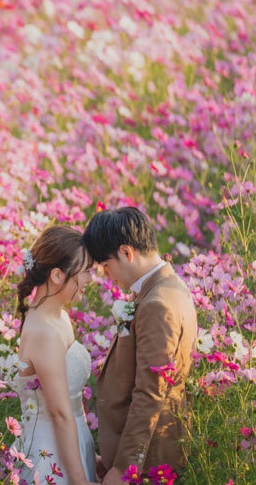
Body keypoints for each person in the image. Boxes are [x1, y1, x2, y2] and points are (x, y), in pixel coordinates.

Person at [82, 207, 197, 485]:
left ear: (126, 252)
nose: (107, 274)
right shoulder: (165, 287)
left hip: (148, 462)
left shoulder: (157, 303)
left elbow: (150, 392)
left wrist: (125, 468)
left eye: (106, 265)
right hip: (142, 452)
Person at [12, 225, 98, 485]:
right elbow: (60, 414)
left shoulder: (59, 316)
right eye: (85, 271)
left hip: (72, 445)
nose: (89, 279)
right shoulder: (44, 333)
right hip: (52, 458)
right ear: (58, 275)